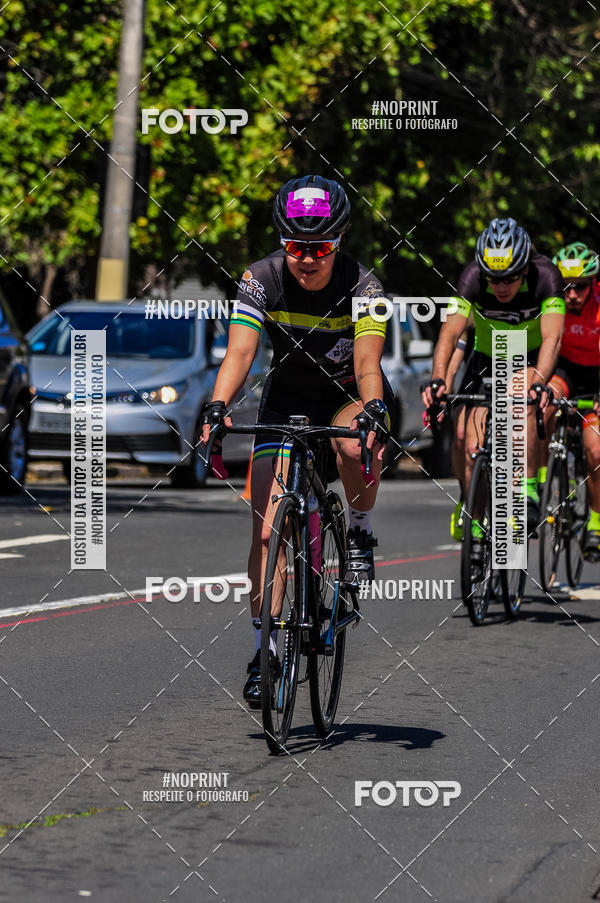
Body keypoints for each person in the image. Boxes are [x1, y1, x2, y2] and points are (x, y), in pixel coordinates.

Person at [201, 174, 393, 707]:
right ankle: (265, 653)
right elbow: (240, 354)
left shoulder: (366, 286)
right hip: (286, 400)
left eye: (320, 247)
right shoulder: (259, 278)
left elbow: (366, 362)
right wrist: (217, 408)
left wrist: (374, 410)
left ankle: (359, 531)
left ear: (340, 240)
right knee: (265, 535)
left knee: (355, 445)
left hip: (348, 393)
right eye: (294, 245)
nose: (307, 258)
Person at [422, 217, 565, 556]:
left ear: (525, 268)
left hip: (528, 356)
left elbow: (553, 337)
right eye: (494, 279)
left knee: (524, 400)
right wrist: (439, 379)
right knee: (463, 438)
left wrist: (540, 380)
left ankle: (527, 491)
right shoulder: (472, 276)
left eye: (511, 278)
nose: (501, 287)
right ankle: (473, 508)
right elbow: (450, 334)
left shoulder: (546, 276)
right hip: (487, 355)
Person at [543, 242, 600, 561]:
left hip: (596, 377)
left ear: (593, 283)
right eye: (566, 286)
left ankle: (595, 521)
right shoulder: (552, 300)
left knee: (595, 448)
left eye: (579, 287)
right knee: (543, 402)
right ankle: (539, 483)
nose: (572, 294)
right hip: (565, 370)